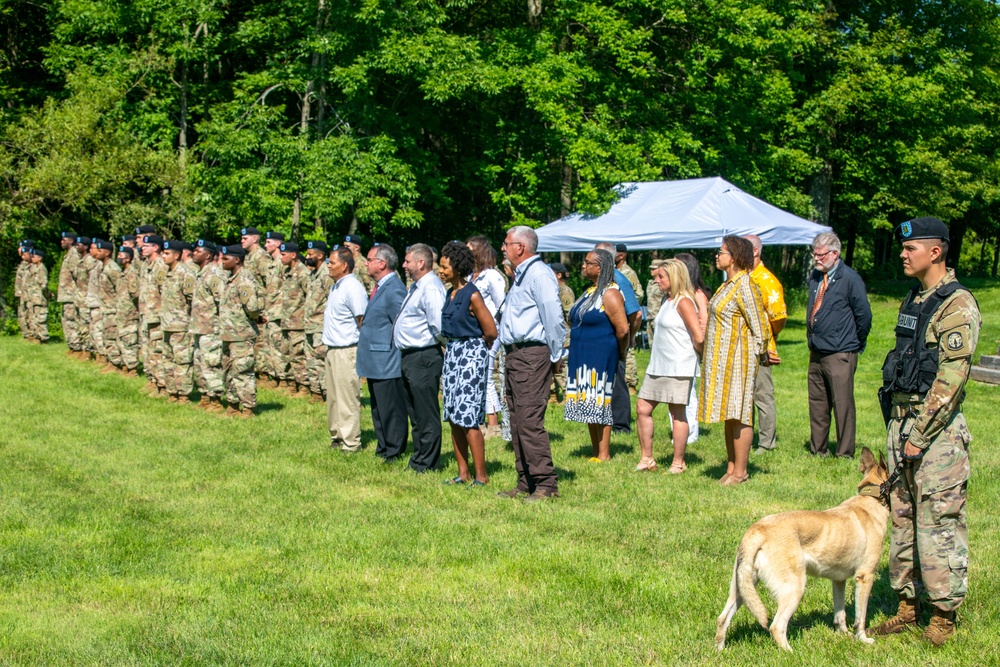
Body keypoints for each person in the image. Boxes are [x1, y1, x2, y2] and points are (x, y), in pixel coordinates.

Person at [870, 217, 980, 646]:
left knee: (939, 522)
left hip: (936, 436)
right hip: (902, 426)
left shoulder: (958, 304)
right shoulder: (915, 299)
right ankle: (907, 605)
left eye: (910, 247)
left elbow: (952, 380)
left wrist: (919, 433)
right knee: (903, 518)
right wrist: (900, 431)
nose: (902, 253)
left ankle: (943, 616)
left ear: (935, 252)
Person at [497, 226, 566, 503]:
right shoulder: (521, 276)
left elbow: (553, 316)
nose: (502, 248)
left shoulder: (538, 274)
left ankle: (546, 484)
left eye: (506, 243)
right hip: (516, 354)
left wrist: (556, 353)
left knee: (528, 420)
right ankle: (526, 481)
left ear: (520, 247)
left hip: (530, 355)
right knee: (516, 420)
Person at [699, 236, 770, 486]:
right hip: (723, 361)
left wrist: (763, 353)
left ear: (735, 257)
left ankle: (741, 472)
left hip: (739, 361)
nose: (717, 255)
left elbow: (759, 324)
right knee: (730, 414)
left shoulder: (745, 285)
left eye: (721, 252)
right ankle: (731, 468)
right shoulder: (727, 285)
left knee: (740, 414)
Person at [437, 242, 498, 485]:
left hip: (471, 356)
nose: (440, 271)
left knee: (468, 417)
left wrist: (474, 349)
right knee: (453, 416)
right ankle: (463, 473)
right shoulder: (449, 293)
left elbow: (491, 331)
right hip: (452, 354)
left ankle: (481, 476)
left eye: (444, 267)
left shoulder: (472, 294)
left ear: (457, 267)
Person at [806, 231, 872, 459]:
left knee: (842, 404)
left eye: (821, 255)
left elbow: (864, 315)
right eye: (814, 254)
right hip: (817, 351)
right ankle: (818, 449)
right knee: (817, 404)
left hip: (840, 352)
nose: (816, 258)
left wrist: (854, 344)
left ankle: (844, 453)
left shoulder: (850, 279)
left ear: (835, 254)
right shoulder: (816, 277)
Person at [636, 259, 703, 473]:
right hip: (658, 365)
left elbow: (698, 336)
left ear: (674, 277)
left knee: (677, 413)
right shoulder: (667, 300)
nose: (656, 281)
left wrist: (700, 360)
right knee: (642, 408)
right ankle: (647, 459)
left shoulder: (684, 301)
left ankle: (678, 462)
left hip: (678, 366)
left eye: (660, 277)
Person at [564, 249, 630, 462]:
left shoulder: (610, 294)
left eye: (588, 263)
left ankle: (604, 454)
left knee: (599, 400)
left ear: (600, 268)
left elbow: (623, 329)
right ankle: (595, 450)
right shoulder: (591, 291)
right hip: (583, 356)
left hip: (601, 355)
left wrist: (619, 352)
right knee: (588, 400)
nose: (583, 266)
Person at [393, 243, 448, 473]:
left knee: (426, 412)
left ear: (421, 262)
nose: (404, 265)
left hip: (423, 356)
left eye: (407, 261)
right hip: (410, 356)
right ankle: (419, 458)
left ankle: (429, 462)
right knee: (415, 413)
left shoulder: (431, 288)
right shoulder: (418, 286)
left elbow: (439, 325)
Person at [356, 243, 409, 461]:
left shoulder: (394, 288)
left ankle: (394, 449)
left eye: (369, 259)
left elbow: (401, 324)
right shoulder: (381, 286)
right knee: (378, 408)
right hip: (375, 358)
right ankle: (384, 445)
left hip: (387, 358)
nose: (366, 264)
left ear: (382, 263)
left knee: (391, 408)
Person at [321, 247, 369, 452]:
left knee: (347, 397)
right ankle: (337, 435)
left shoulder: (352, 287)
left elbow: (362, 319)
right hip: (332, 349)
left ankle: (351, 442)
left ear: (345, 266)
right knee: (333, 397)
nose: (328, 266)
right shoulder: (336, 286)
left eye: (332, 263)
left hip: (346, 349)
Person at [745, 235, 787, 451]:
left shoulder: (766, 280)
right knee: (744, 396)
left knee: (762, 395)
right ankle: (745, 438)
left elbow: (778, 318)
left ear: (755, 251)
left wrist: (770, 338)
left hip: (760, 350)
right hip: (742, 348)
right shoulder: (744, 277)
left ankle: (766, 443)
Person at [594, 242, 641, 432]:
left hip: (615, 340)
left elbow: (635, 314)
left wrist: (628, 337)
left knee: (618, 381)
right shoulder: (603, 279)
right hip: (603, 341)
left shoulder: (618, 279)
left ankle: (621, 425)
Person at [466, 235, 506, 438]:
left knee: (486, 374)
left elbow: (501, 305)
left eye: (469, 248)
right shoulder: (470, 276)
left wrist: (492, 329)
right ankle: (480, 418)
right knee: (477, 374)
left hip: (490, 332)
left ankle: (493, 424)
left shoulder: (492, 275)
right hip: (473, 332)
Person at [219, 245, 262, 417]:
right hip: (229, 334)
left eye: (225, 258)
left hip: (241, 334)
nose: (222, 261)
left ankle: (248, 408)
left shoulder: (244, 279)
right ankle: (232, 405)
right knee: (228, 371)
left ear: (237, 260)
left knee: (242, 371)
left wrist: (255, 318)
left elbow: (252, 306)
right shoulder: (232, 278)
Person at [675, 252, 711, 445]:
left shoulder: (697, 294)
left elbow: (703, 323)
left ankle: (690, 434)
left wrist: (700, 348)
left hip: (690, 350)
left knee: (688, 394)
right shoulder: (677, 294)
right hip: (677, 350)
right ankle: (679, 432)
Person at [189, 240, 228, 412]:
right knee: (200, 363)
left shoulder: (214, 274)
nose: (193, 253)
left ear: (207, 255)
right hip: (199, 327)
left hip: (212, 328)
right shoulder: (200, 273)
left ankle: (216, 399)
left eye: (198, 251)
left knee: (211, 364)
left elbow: (223, 302)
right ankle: (205, 395)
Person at [159, 240, 197, 402]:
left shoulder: (186, 273)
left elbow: (192, 299)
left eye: (167, 253)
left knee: (182, 361)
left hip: (181, 325)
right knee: (168, 361)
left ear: (176, 255)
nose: (163, 256)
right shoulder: (167, 273)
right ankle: (172, 391)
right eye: (163, 253)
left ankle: (184, 394)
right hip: (167, 324)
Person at [302, 240, 332, 402]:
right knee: (311, 360)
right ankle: (316, 392)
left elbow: (332, 298)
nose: (307, 257)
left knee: (321, 360)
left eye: (310, 254)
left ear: (320, 256)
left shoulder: (326, 275)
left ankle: (327, 393)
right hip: (310, 325)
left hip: (321, 325)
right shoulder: (313, 274)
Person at [614, 243, 644, 392]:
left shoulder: (628, 273)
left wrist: (626, 308)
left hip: (626, 314)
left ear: (621, 255)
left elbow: (638, 294)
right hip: (617, 314)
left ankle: (631, 383)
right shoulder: (615, 271)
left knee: (628, 349)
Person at [549, 262, 574, 403]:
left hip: (564, 334)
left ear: (559, 275)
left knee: (562, 365)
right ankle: (552, 394)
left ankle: (567, 395)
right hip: (555, 333)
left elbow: (569, 314)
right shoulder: (552, 289)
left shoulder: (564, 291)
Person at [96, 239, 123, 371]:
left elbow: (120, 289)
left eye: (100, 250)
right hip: (106, 308)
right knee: (107, 336)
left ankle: (116, 363)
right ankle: (111, 361)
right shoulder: (104, 267)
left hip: (113, 309)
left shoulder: (113, 268)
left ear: (107, 253)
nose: (96, 252)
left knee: (112, 337)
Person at [114, 246, 141, 376]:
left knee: (130, 341)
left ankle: (133, 368)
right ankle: (125, 365)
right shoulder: (122, 273)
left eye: (121, 255)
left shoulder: (132, 274)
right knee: (122, 339)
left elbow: (136, 294)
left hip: (129, 313)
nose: (118, 258)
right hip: (122, 313)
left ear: (128, 258)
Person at [57, 232, 81, 353]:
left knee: (71, 321)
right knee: (66, 321)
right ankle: (72, 346)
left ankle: (76, 347)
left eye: (64, 239)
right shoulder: (68, 255)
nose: (62, 241)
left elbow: (77, 274)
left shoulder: (74, 255)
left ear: (71, 241)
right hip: (66, 295)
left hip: (71, 295)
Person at [23, 247, 49, 343]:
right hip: (33, 298)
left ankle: (44, 338)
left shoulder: (42, 268)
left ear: (40, 258)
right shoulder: (35, 268)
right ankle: (37, 336)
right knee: (34, 319)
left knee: (41, 319)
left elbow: (44, 285)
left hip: (40, 298)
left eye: (34, 256)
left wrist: (47, 295)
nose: (32, 258)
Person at [644, 258, 666, 344]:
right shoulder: (650, 283)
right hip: (650, 317)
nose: (651, 270)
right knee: (652, 345)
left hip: (659, 317)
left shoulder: (663, 284)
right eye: (651, 268)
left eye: (654, 268)